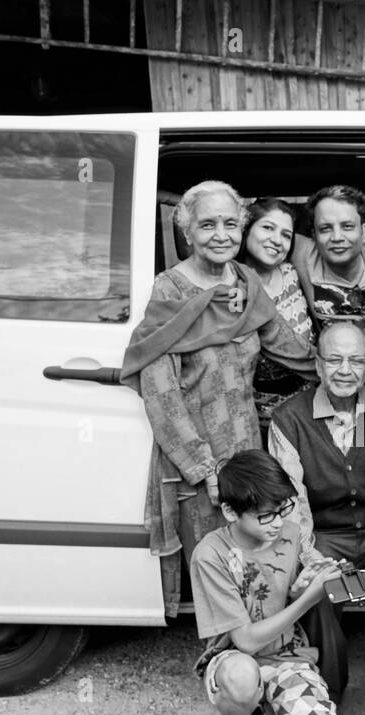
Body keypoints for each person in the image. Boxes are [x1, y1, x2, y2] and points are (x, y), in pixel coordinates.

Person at [120, 181, 315, 618]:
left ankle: (264, 649)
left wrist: (344, 373)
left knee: (254, 557)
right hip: (197, 456)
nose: (221, 234)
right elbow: (161, 391)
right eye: (207, 225)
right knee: (217, 563)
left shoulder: (245, 282)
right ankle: (228, 663)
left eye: (230, 223)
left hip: (246, 446)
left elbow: (287, 346)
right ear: (187, 232)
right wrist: (205, 467)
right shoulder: (170, 290)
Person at [268, 321, 365, 698]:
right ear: (318, 365)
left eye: (355, 360)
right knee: (318, 589)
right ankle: (329, 689)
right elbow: (291, 500)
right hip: (324, 535)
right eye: (334, 359)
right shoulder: (290, 418)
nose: (345, 370)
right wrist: (311, 556)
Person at [189, 450, 344, 715]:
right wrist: (306, 600)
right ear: (230, 511)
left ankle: (276, 709)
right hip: (234, 657)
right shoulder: (211, 554)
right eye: (265, 515)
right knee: (243, 677)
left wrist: (308, 582)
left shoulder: (289, 532)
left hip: (287, 653)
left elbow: (293, 580)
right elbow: (244, 641)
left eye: (284, 508)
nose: (278, 523)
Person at [292, 184, 365, 385]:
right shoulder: (303, 257)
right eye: (325, 229)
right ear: (314, 236)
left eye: (347, 226)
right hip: (335, 380)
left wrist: (362, 378)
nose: (336, 237)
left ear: (364, 231)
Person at [238, 197, 317, 437]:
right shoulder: (235, 285)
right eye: (267, 228)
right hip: (261, 416)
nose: (276, 240)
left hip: (311, 405)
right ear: (246, 230)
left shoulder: (294, 272)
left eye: (286, 235)